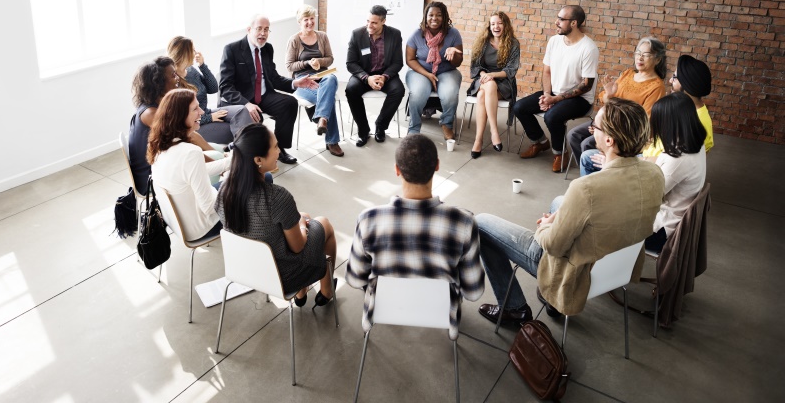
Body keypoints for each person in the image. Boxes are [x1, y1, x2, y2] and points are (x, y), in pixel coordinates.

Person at [476, 98, 663, 326]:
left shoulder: (586, 188)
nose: (591, 128)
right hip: (616, 266)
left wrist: (546, 225)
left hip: (577, 272)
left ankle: (513, 308)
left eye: (595, 124)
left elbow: (553, 246)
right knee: (559, 201)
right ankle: (551, 302)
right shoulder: (654, 173)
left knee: (480, 223)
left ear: (609, 140)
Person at [345, 134, 484, 340]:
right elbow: (473, 292)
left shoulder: (368, 219)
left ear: (397, 169)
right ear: (437, 166)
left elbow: (356, 279)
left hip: (384, 309)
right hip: (442, 314)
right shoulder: (463, 222)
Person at [215, 123, 338, 308]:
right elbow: (298, 247)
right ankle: (326, 289)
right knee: (323, 223)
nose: (279, 151)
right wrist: (303, 224)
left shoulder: (224, 190)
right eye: (275, 147)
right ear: (258, 159)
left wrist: (300, 219)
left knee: (302, 215)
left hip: (245, 269)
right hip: (283, 276)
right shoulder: (277, 197)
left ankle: (302, 292)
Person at [582, 54, 715, 176]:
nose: (669, 81)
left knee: (587, 157)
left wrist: (621, 160)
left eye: (675, 78)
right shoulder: (687, 112)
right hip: (646, 154)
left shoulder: (696, 122)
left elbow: (675, 162)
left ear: (688, 84)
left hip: (648, 167)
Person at [219, 15, 318, 165]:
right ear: (249, 30)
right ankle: (250, 156)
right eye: (259, 29)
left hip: (264, 95)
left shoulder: (267, 49)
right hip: (243, 100)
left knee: (289, 103)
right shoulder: (232, 49)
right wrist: (246, 104)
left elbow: (274, 78)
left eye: (266, 30)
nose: (263, 33)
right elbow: (225, 87)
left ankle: (279, 149)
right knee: (252, 116)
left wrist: (296, 83)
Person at [514, 5, 598, 172]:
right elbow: (547, 71)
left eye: (561, 19)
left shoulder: (589, 48)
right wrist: (547, 95)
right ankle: (540, 142)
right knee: (519, 107)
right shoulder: (554, 41)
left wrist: (556, 99)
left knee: (552, 117)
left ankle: (560, 153)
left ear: (574, 23)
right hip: (553, 92)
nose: (556, 22)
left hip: (580, 99)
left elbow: (586, 85)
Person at [128, 57, 223, 195]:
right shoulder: (151, 113)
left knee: (218, 151)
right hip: (154, 181)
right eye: (173, 75)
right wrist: (219, 164)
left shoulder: (159, 105)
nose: (177, 77)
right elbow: (186, 143)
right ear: (158, 82)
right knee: (217, 157)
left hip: (166, 166)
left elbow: (189, 135)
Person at [568, 36, 667, 167]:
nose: (640, 57)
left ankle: (604, 172)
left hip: (624, 132)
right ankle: (588, 169)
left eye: (646, 54)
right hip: (607, 120)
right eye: (638, 53)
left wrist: (604, 128)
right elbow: (605, 98)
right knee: (574, 135)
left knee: (587, 143)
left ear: (658, 59)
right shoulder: (628, 74)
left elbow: (643, 120)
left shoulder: (656, 86)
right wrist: (609, 96)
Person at [148, 89, 227, 241]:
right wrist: (231, 181)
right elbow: (210, 207)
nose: (202, 111)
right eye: (195, 109)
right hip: (202, 227)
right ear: (180, 116)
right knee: (261, 180)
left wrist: (230, 162)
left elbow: (196, 172)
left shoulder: (160, 144)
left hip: (178, 223)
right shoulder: (191, 153)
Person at [643, 92, 707, 254]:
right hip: (673, 217)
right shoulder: (694, 143)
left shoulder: (677, 159)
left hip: (662, 231)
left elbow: (646, 197)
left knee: (603, 223)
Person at [167, 36, 253, 145]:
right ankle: (246, 154)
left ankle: (247, 151)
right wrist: (209, 118)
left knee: (241, 111)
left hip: (205, 112)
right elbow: (180, 119)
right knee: (240, 128)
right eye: (193, 50)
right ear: (185, 54)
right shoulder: (173, 81)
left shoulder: (191, 70)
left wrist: (202, 66)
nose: (195, 53)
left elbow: (213, 88)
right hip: (195, 125)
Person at [285, 5, 344, 157]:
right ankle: (332, 140)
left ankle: (322, 119)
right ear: (300, 21)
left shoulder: (322, 36)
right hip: (302, 80)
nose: (310, 22)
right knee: (327, 97)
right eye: (306, 19)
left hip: (323, 76)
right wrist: (306, 63)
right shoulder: (294, 40)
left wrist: (318, 61)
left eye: (312, 19)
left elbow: (330, 59)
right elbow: (289, 66)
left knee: (331, 79)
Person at [345, 5, 406, 147]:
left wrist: (384, 77)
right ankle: (363, 130)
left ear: (383, 21)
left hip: (385, 74)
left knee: (399, 90)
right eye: (367, 21)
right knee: (350, 90)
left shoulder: (395, 34)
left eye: (374, 22)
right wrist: (367, 78)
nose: (369, 25)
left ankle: (381, 126)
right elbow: (350, 63)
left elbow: (398, 62)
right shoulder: (357, 34)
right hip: (364, 74)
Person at [405, 1, 464, 139]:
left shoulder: (453, 34)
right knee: (418, 92)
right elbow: (410, 60)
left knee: (450, 93)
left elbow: (458, 63)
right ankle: (414, 128)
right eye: (431, 15)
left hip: (446, 70)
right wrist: (428, 74)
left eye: (438, 15)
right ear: (426, 17)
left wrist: (454, 53)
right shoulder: (417, 34)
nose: (434, 18)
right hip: (420, 71)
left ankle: (447, 124)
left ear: (444, 17)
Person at [467, 11, 521, 158]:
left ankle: (479, 140)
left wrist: (493, 75)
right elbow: (475, 66)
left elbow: (511, 70)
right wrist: (485, 75)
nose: (496, 26)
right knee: (488, 86)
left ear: (505, 25)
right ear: (489, 26)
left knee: (482, 96)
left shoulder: (513, 44)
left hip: (504, 82)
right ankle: (493, 133)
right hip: (483, 79)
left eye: (499, 23)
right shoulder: (482, 42)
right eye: (493, 24)